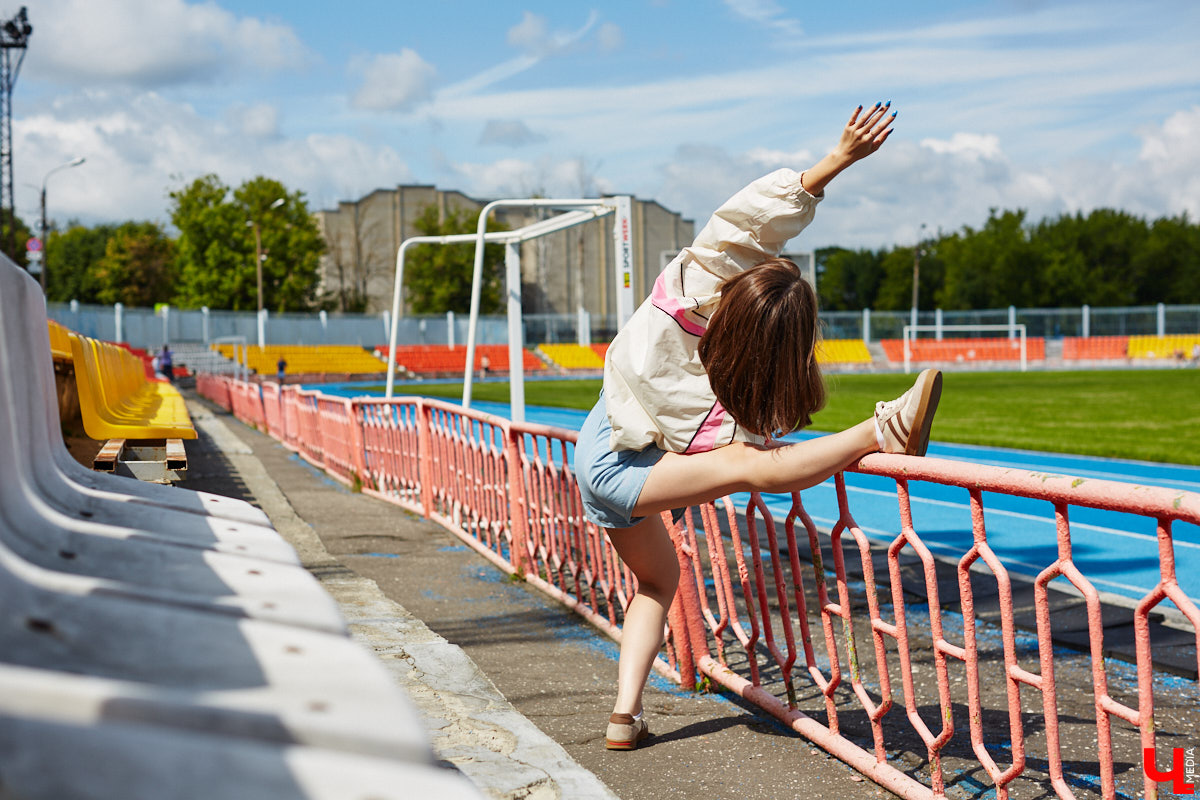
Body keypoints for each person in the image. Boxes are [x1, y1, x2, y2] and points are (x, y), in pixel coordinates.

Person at [573, 102, 944, 751]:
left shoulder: (682, 289)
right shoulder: (726, 405)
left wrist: (837, 159)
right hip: (625, 469)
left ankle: (622, 718)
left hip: (594, 448)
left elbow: (745, 222)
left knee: (658, 583)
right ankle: (883, 430)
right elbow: (766, 465)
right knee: (752, 466)